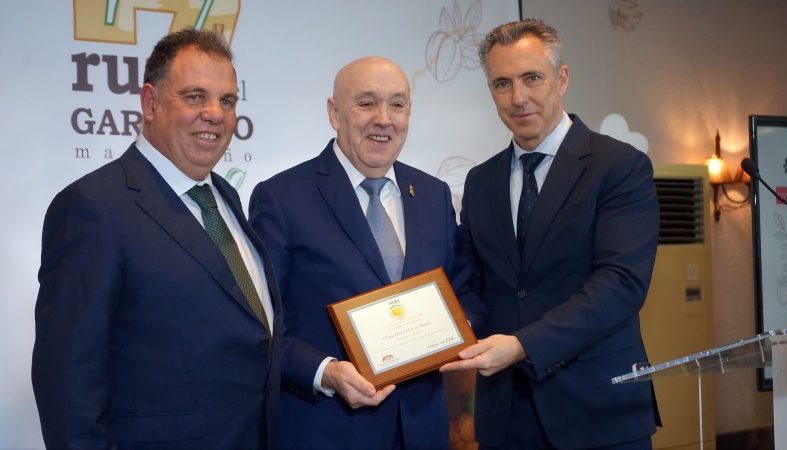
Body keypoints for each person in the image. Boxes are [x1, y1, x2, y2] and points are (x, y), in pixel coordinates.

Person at [32, 28, 282, 450]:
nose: (215, 114)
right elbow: (67, 386)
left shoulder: (226, 197)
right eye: (195, 97)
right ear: (150, 103)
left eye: (227, 100)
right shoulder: (92, 208)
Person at [440, 18, 661, 449]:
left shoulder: (619, 166)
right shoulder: (481, 182)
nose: (518, 97)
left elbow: (621, 283)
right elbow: (474, 283)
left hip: (599, 413)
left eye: (532, 78)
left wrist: (523, 344)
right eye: (502, 83)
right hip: (506, 416)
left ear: (562, 78)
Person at [248, 56, 485, 450]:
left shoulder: (434, 194)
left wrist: (452, 333)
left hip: (422, 430)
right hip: (327, 431)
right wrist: (325, 372)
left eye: (397, 104)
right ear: (334, 113)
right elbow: (260, 324)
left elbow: (466, 293)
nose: (383, 119)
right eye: (366, 103)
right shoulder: (281, 197)